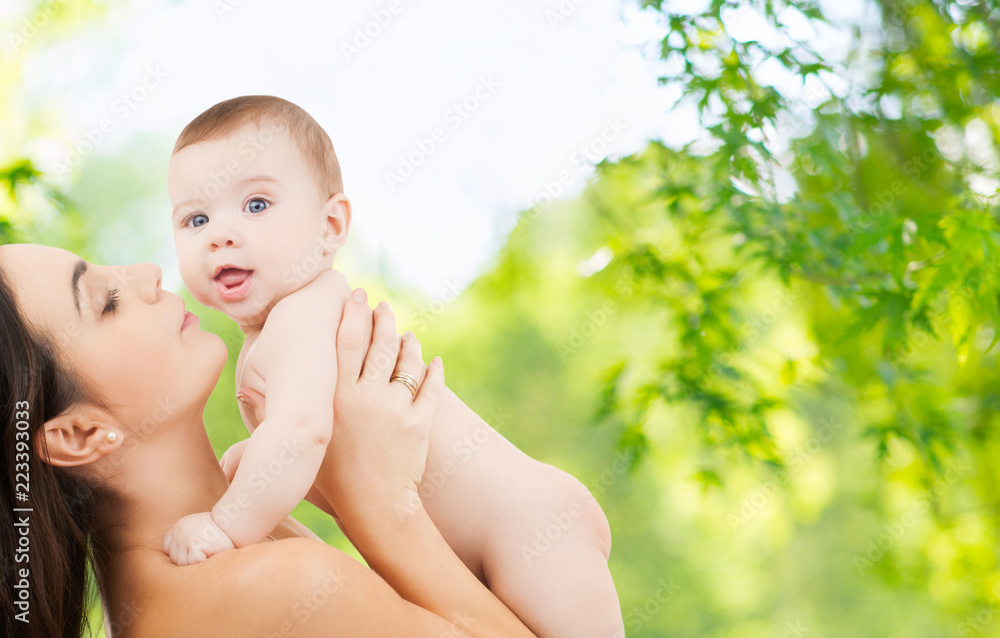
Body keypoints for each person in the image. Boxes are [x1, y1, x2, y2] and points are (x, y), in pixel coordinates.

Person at [166, 95, 624, 636]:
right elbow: (312, 439)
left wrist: (226, 524)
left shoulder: (302, 313)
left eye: (257, 205)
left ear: (331, 226)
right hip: (493, 540)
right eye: (196, 218)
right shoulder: (280, 329)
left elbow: (302, 432)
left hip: (528, 530)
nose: (221, 233)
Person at [0, 242, 548, 637]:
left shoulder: (214, 567)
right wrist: (380, 503)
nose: (146, 273)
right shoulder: (277, 589)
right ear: (78, 434)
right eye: (106, 302)